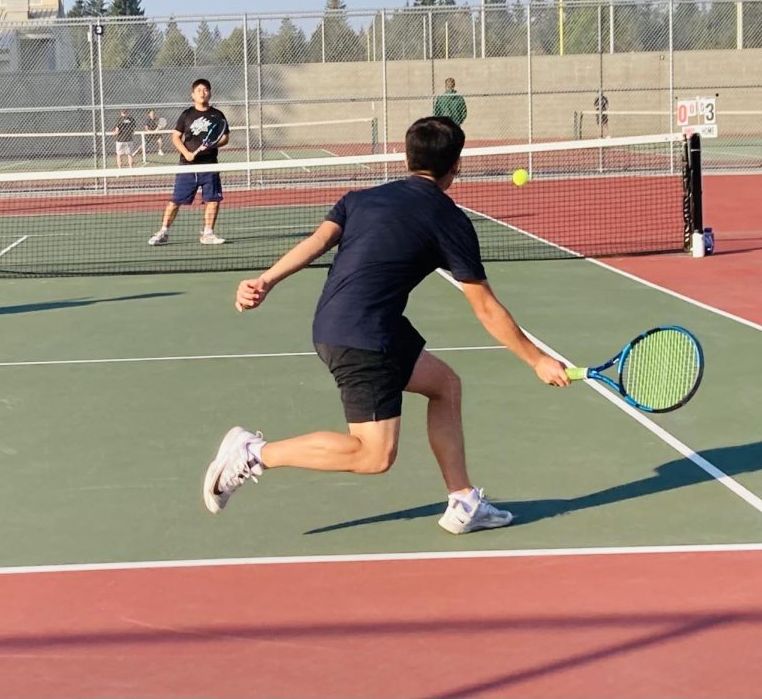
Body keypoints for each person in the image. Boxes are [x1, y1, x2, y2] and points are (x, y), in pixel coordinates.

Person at [203, 116, 570, 535]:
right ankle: (253, 452)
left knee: (444, 385)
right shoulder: (449, 219)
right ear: (457, 166)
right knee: (373, 456)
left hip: (350, 321)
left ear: (407, 156)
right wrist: (536, 359)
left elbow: (317, 242)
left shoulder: (361, 198)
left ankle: (464, 501)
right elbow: (485, 308)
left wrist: (265, 280)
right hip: (363, 339)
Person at [148, 78, 229, 246]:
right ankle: (163, 232)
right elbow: (175, 137)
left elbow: (225, 138)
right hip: (187, 166)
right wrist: (186, 152)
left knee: (213, 200)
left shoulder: (218, 116)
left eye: (206, 89)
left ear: (210, 93)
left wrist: (212, 144)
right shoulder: (187, 115)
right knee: (176, 201)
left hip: (210, 165)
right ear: (192, 94)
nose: (202, 92)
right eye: (199, 90)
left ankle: (208, 233)